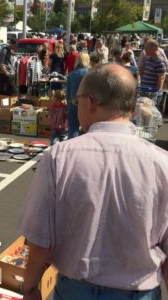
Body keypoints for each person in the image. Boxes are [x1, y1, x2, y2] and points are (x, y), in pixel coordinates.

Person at [19, 63, 168, 300]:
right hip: (140, 292)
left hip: (75, 290)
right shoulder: (162, 164)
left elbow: (40, 241)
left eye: (77, 102)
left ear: (90, 102)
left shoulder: (59, 157)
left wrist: (28, 289)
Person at [66, 52, 90, 138]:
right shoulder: (89, 73)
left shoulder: (71, 74)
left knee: (73, 127)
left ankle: (72, 146)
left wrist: (68, 104)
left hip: (73, 102)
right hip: (87, 103)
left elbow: (67, 92)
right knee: (87, 127)